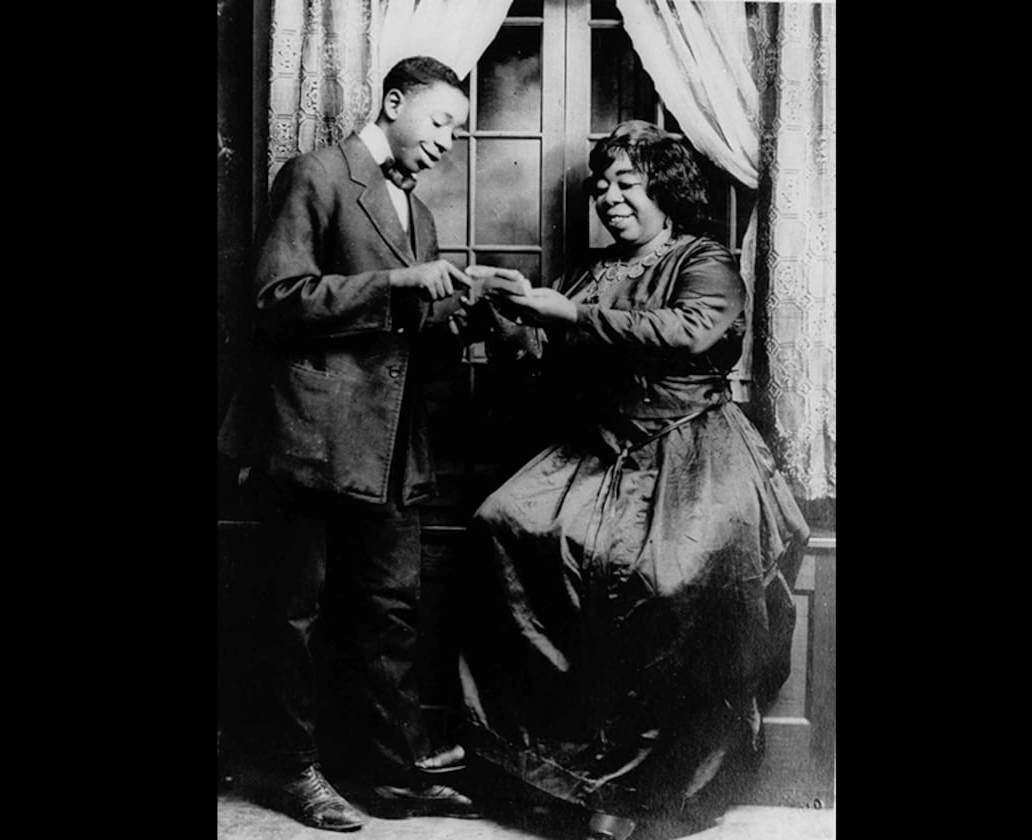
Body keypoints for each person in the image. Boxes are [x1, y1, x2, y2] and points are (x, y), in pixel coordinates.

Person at [457, 120, 811, 840]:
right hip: (596, 449)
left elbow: (686, 333)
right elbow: (551, 361)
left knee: (664, 579)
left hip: (689, 451)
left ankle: (640, 793)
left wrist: (571, 314)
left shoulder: (703, 259)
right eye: (601, 186)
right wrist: (511, 321)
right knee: (502, 524)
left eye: (626, 184)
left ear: (666, 191)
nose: (609, 198)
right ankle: (552, 772)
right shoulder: (589, 271)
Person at [217, 56, 527, 832]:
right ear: (393, 103)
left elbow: (405, 325)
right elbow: (273, 300)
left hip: (390, 447)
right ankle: (292, 773)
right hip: (312, 436)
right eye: (441, 122)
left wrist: (465, 302)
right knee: (294, 613)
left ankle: (391, 776)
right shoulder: (315, 174)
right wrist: (398, 284)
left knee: (389, 613)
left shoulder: (416, 212)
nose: (449, 142)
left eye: (458, 130)